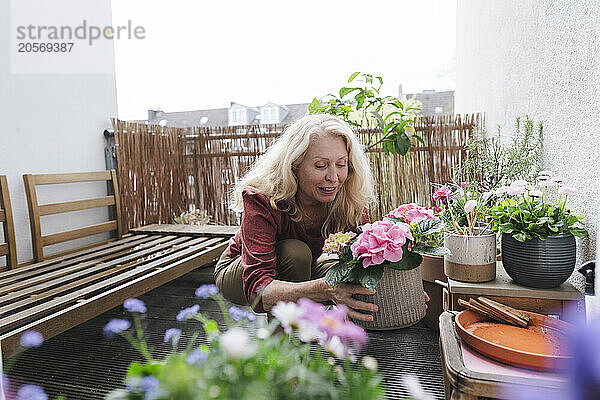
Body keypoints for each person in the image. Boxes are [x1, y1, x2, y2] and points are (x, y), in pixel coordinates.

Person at [214, 113, 379, 321]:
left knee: (343, 270)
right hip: (241, 271)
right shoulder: (262, 198)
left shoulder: (347, 196)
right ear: (294, 165)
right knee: (295, 253)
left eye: (341, 164)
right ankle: (282, 347)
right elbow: (258, 289)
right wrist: (325, 289)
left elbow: (370, 253)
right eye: (321, 165)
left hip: (305, 266)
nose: (333, 177)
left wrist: (403, 286)